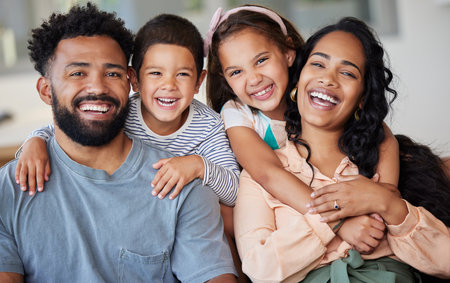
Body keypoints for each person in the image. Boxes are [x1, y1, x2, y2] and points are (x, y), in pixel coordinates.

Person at [0, 3, 237, 282]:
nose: (98, 87)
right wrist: (35, 139)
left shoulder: (183, 186)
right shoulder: (9, 190)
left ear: (128, 83)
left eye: (112, 73)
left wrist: (199, 167)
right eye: (77, 73)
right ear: (45, 90)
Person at [233, 17, 450, 282]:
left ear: (362, 98)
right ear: (298, 80)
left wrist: (386, 202)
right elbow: (259, 269)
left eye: (347, 73)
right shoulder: (261, 176)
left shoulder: (380, 162)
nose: (327, 79)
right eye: (318, 64)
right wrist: (331, 219)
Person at [15, 14, 240, 206]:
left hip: (179, 210)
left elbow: (234, 192)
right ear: (134, 80)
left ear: (198, 82)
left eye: (182, 74)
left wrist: (197, 165)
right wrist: (35, 142)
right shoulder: (122, 113)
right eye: (155, 73)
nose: (169, 85)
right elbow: (68, 129)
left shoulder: (209, 127)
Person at [204, 5, 399, 221]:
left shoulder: (311, 94)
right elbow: (267, 173)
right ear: (225, 79)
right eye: (236, 72)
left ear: (288, 53)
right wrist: (337, 221)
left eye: (261, 61)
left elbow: (380, 134)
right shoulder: (237, 113)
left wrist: (383, 194)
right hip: (277, 208)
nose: (254, 79)